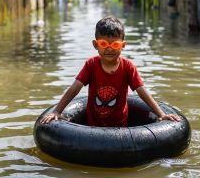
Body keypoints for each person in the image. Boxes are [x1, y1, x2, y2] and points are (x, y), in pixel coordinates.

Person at [41, 16, 180, 126]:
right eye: (103, 44)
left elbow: (142, 92)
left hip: (121, 127)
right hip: (93, 126)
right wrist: (57, 111)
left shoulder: (128, 67)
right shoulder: (91, 65)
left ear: (123, 46)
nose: (109, 49)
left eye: (115, 45)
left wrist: (161, 114)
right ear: (95, 45)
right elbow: (74, 88)